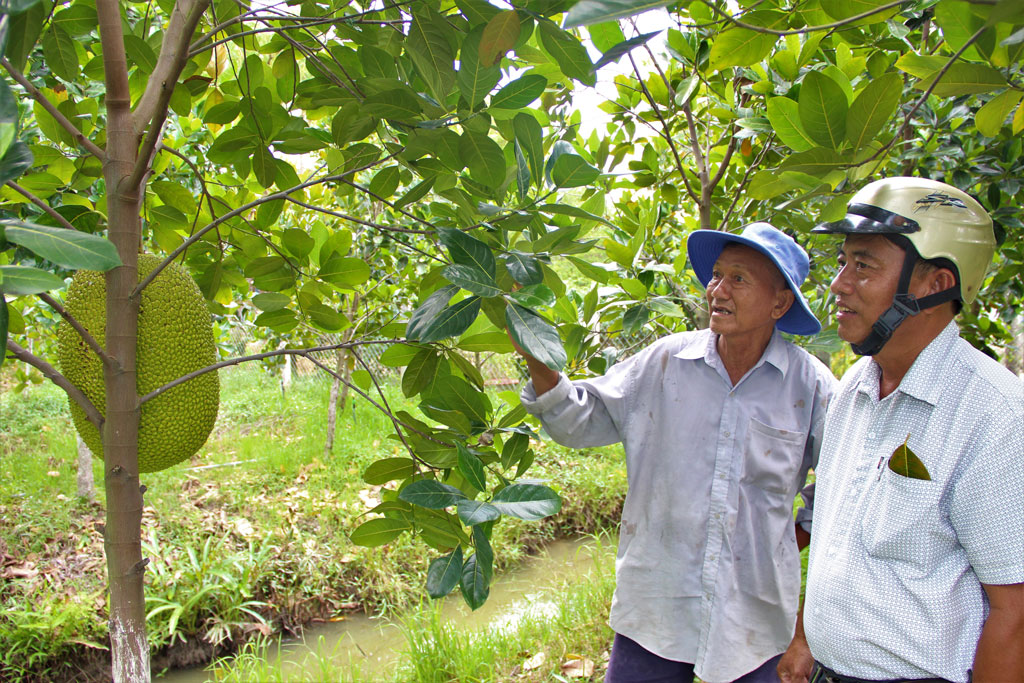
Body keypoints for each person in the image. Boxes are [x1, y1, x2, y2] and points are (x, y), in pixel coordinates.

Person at [516, 222, 837, 683]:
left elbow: (841, 493)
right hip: (656, 606)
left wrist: (791, 539)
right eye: (716, 275)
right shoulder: (665, 361)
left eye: (738, 279)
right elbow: (578, 420)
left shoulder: (812, 388)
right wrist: (536, 354)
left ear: (779, 303)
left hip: (753, 618)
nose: (717, 290)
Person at [777, 177, 1024, 683]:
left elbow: (1014, 614)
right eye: (843, 261)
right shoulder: (855, 387)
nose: (839, 283)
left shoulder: (993, 415)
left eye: (864, 265)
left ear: (936, 284)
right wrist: (807, 634)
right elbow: (836, 532)